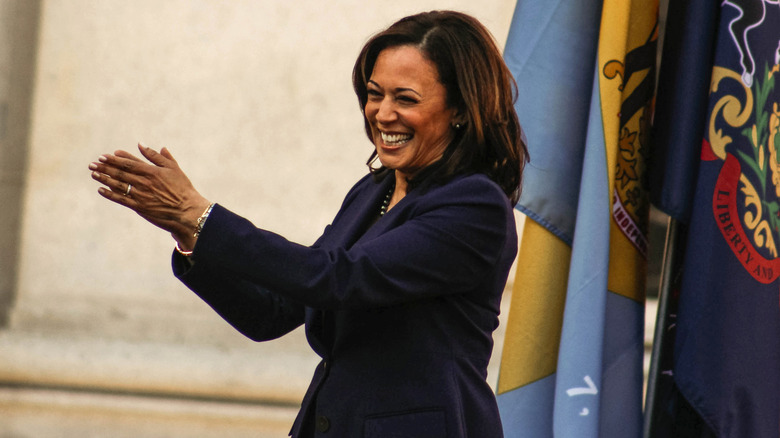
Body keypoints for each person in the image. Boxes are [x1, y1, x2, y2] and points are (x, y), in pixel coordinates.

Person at [89, 10, 527, 438]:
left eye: (405, 98)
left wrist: (203, 217)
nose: (382, 114)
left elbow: (340, 279)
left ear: (461, 111)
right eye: (375, 94)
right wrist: (189, 235)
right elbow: (273, 312)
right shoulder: (372, 190)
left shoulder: (475, 206)